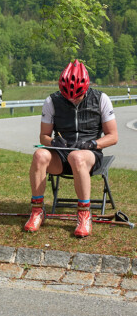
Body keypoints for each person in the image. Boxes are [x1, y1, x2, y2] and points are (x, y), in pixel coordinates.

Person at [25, 60, 118, 237]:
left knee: (77, 157)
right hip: (61, 155)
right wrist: (53, 142)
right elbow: (43, 136)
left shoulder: (101, 99)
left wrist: (93, 144)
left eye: (77, 96)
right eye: (67, 96)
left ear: (86, 88)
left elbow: (113, 136)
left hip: (89, 156)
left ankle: (84, 214)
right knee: (39, 155)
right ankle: (37, 211)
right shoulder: (51, 101)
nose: (72, 99)